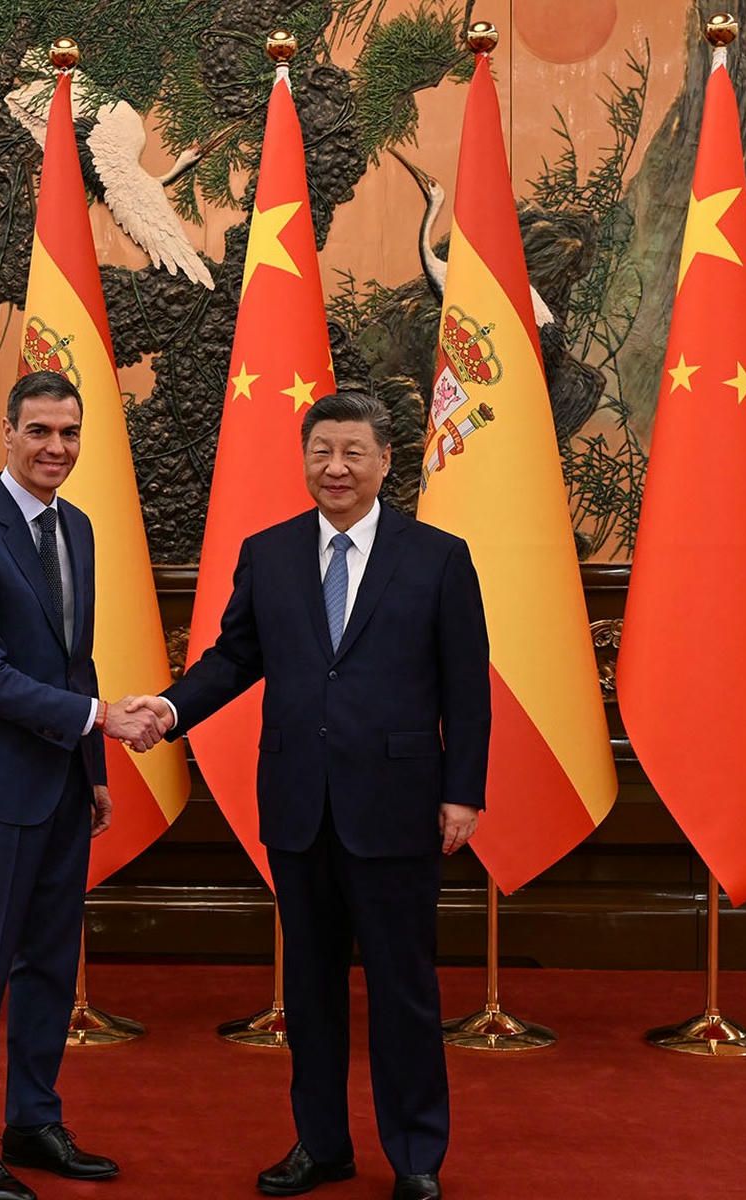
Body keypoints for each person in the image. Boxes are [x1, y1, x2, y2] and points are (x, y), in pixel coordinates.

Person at [126, 391, 491, 1200]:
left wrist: (462, 791)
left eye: (353, 452)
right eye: (320, 451)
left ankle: (416, 1156)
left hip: (398, 806)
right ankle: (319, 1145)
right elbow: (233, 658)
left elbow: (467, 688)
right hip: (298, 804)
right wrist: (172, 705)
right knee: (310, 991)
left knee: (403, 989)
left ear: (384, 461)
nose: (335, 468)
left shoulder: (436, 557)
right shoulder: (270, 552)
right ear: (303, 459)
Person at [0, 370, 161, 1200]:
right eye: (39, 432)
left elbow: (72, 659)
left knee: (51, 965)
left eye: (68, 433)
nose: (55, 448)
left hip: (62, 785)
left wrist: (92, 772)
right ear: (7, 432)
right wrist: (100, 720)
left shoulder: (80, 529)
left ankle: (31, 1120)